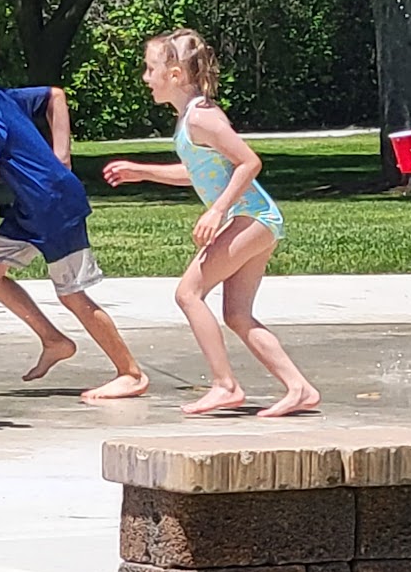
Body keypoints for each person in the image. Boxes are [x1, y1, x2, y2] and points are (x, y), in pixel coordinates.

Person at [0, 17, 149, 403]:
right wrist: (61, 153)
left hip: (54, 206)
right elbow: (55, 96)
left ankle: (130, 373)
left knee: (73, 294)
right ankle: (53, 339)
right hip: (32, 206)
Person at [102, 30, 318, 418]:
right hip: (256, 219)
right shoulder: (191, 118)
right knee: (236, 314)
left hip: (251, 216)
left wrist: (217, 210)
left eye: (150, 69)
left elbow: (249, 162)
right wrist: (142, 171)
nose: (145, 77)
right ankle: (299, 387)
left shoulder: (203, 117)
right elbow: (198, 172)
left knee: (188, 292)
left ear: (174, 74)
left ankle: (225, 385)